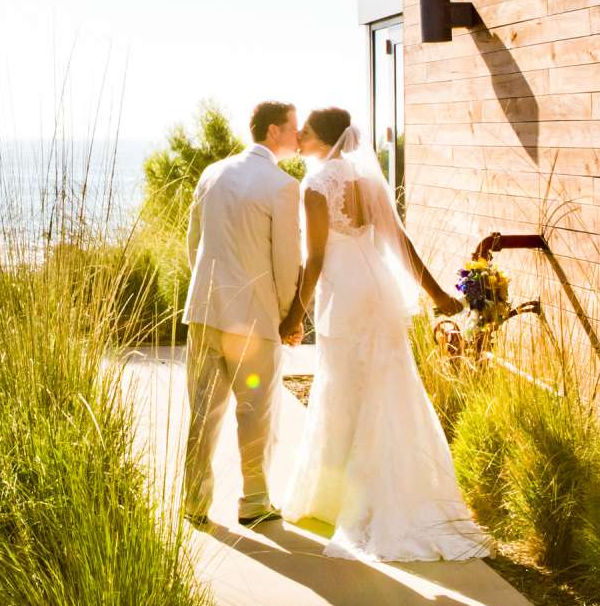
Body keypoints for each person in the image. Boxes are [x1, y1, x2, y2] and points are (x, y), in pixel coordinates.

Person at [276, 106, 488, 561]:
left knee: (343, 391)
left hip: (346, 296)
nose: (300, 139)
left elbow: (314, 260)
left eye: (306, 133)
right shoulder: (369, 183)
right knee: (390, 390)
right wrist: (436, 295)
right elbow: (400, 243)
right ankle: (402, 496)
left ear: (326, 140)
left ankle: (341, 503)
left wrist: (296, 315)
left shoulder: (315, 186)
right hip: (379, 291)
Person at [180, 100, 303, 527]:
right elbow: (287, 263)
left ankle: (193, 501)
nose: (299, 134)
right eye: (293, 127)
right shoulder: (282, 186)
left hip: (204, 310)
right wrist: (290, 317)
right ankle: (253, 500)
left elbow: (193, 243)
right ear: (273, 131)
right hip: (252, 318)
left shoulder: (212, 173)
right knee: (255, 412)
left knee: (202, 411)